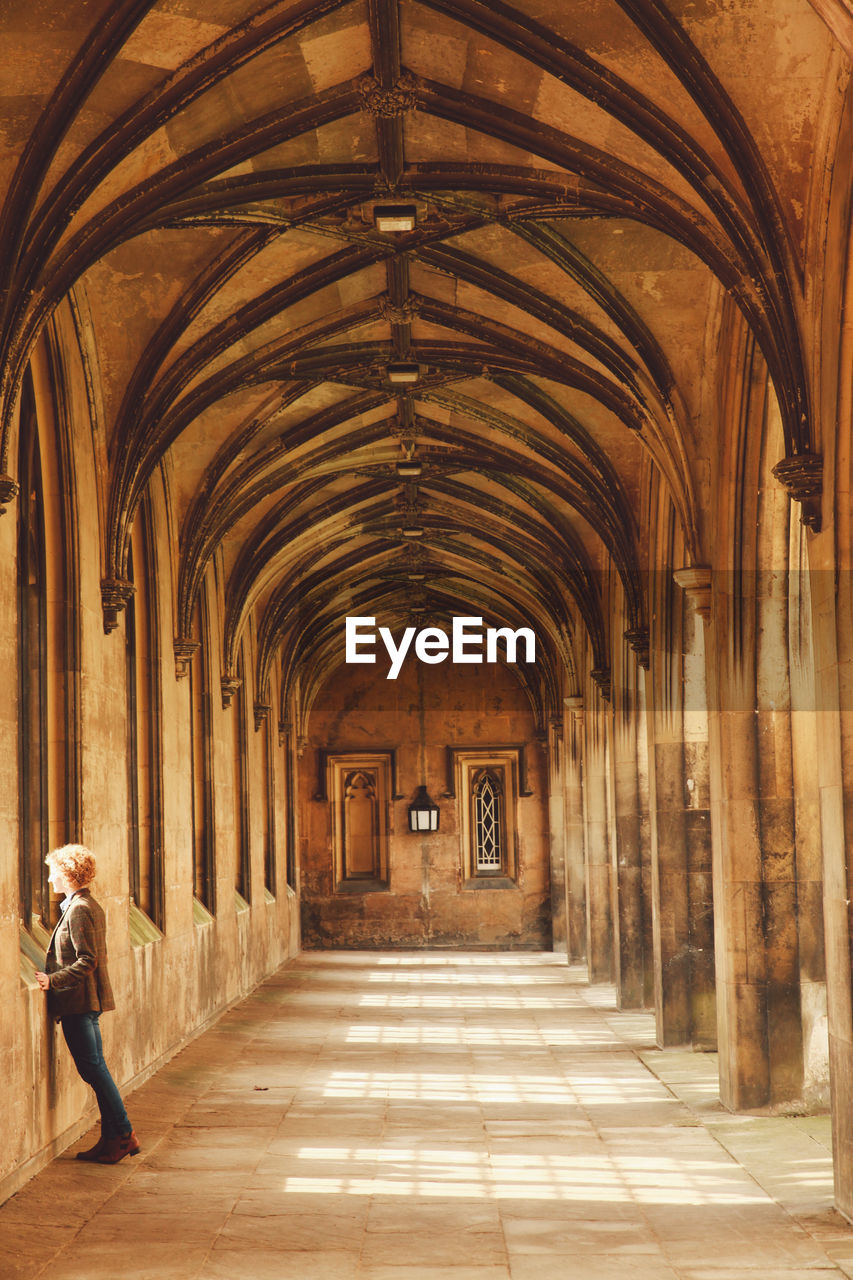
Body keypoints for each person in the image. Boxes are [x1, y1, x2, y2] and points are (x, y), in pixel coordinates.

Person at [34, 844, 139, 1164]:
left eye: (54, 872)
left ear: (67, 874)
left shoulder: (80, 908)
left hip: (80, 1002)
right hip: (84, 1001)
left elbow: (87, 960)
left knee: (93, 1069)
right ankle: (112, 1141)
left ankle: (123, 1133)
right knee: (95, 1068)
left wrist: (53, 980)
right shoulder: (82, 904)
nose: (50, 879)